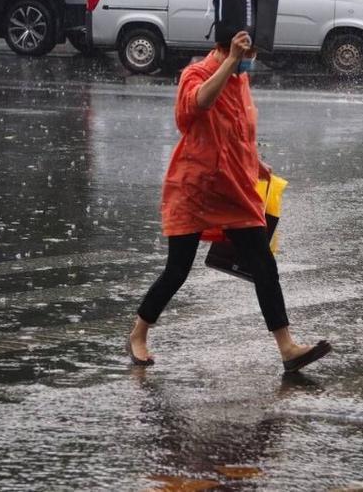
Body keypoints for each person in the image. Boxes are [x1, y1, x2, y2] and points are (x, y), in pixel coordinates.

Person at [125, 30, 332, 373]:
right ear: (225, 48)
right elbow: (198, 105)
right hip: (196, 187)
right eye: (245, 53)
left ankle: (287, 348)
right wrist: (232, 61)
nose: (251, 60)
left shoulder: (241, 78)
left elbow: (238, 129)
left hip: (235, 187)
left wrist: (254, 159)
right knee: (177, 270)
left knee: (263, 264)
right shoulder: (198, 74)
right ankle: (138, 333)